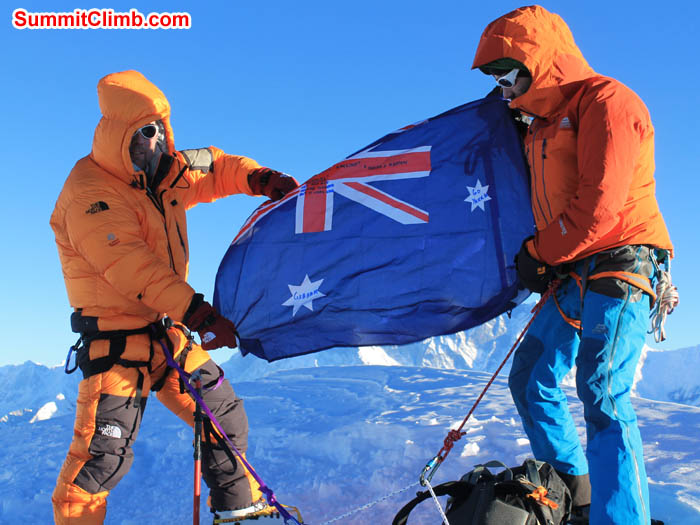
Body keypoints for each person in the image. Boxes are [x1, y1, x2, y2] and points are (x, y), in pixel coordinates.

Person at [50, 70, 298, 524]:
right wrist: (199, 313)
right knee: (101, 461)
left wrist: (261, 179)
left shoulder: (167, 172)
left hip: (166, 333)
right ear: (121, 135)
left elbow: (217, 165)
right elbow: (130, 267)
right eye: (146, 132)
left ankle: (236, 512)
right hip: (117, 344)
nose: (157, 140)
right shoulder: (90, 193)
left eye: (161, 127)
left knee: (225, 419)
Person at [472, 6, 673, 525]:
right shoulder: (534, 123)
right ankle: (578, 501)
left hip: (622, 259)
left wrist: (538, 254)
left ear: (538, 62)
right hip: (569, 267)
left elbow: (599, 206)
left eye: (507, 73)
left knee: (602, 388)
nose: (502, 87)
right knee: (531, 376)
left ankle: (620, 519)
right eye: (494, 77)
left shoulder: (608, 102)